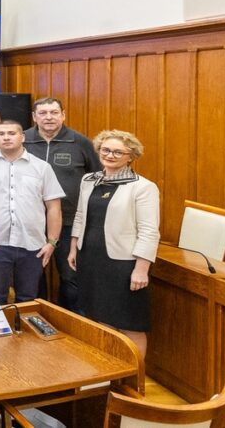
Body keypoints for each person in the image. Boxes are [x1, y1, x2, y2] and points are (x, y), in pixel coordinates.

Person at [69, 130, 159, 358]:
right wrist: (73, 248)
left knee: (130, 324)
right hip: (90, 258)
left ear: (131, 156)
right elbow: (80, 216)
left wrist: (142, 269)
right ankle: (111, 370)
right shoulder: (89, 180)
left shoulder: (143, 187)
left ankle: (134, 377)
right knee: (101, 318)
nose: (110, 155)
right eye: (105, 150)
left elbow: (149, 231)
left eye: (118, 152)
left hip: (122, 264)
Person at [0, 120, 65, 304]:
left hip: (33, 244)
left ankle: (23, 325)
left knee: (28, 298)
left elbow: (54, 207)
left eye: (11, 133)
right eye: (1, 134)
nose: (6, 137)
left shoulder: (42, 167)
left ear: (22, 137)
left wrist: (52, 242)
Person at [24, 97, 102, 311]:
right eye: (43, 113)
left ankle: (71, 320)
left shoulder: (80, 142)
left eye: (54, 112)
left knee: (70, 276)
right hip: (31, 222)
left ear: (63, 115)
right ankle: (37, 317)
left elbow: (97, 177)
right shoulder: (23, 140)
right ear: (34, 117)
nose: (48, 117)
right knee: (32, 276)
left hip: (69, 222)